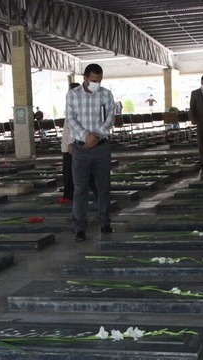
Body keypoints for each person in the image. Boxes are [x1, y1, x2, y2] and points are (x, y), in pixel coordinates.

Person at [66, 63, 115, 242]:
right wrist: (86, 136)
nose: (97, 83)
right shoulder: (73, 95)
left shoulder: (106, 94)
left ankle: (105, 223)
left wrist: (96, 136)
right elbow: (70, 119)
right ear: (85, 78)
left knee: (104, 187)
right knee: (80, 189)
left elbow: (110, 118)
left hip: (101, 147)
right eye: (94, 80)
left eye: (99, 80)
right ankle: (79, 228)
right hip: (81, 149)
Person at [60, 82, 97, 203]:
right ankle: (69, 195)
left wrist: (71, 142)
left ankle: (69, 196)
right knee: (78, 171)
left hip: (74, 145)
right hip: (73, 144)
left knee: (73, 171)